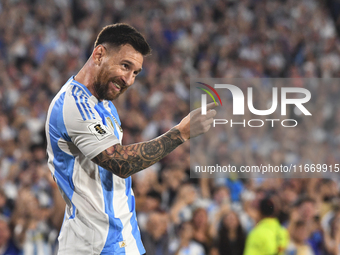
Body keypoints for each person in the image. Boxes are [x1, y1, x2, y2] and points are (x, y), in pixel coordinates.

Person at [45, 23, 217, 254]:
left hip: (123, 238)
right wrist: (180, 133)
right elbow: (120, 163)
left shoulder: (104, 104)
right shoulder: (74, 105)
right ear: (99, 55)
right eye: (125, 66)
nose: (129, 80)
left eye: (135, 72)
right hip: (96, 245)